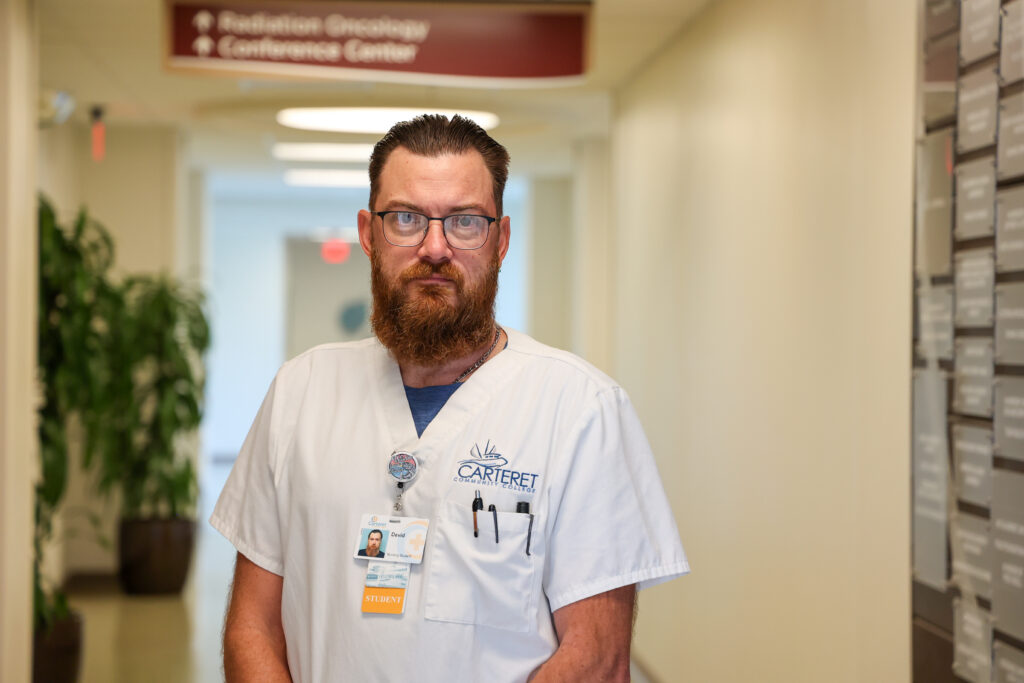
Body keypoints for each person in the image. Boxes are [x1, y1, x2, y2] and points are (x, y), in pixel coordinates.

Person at [212, 114, 688, 683]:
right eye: (406, 219)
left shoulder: (580, 409)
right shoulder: (301, 391)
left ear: (500, 240)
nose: (434, 248)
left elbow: (597, 661)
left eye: (465, 222)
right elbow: (252, 628)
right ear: (368, 233)